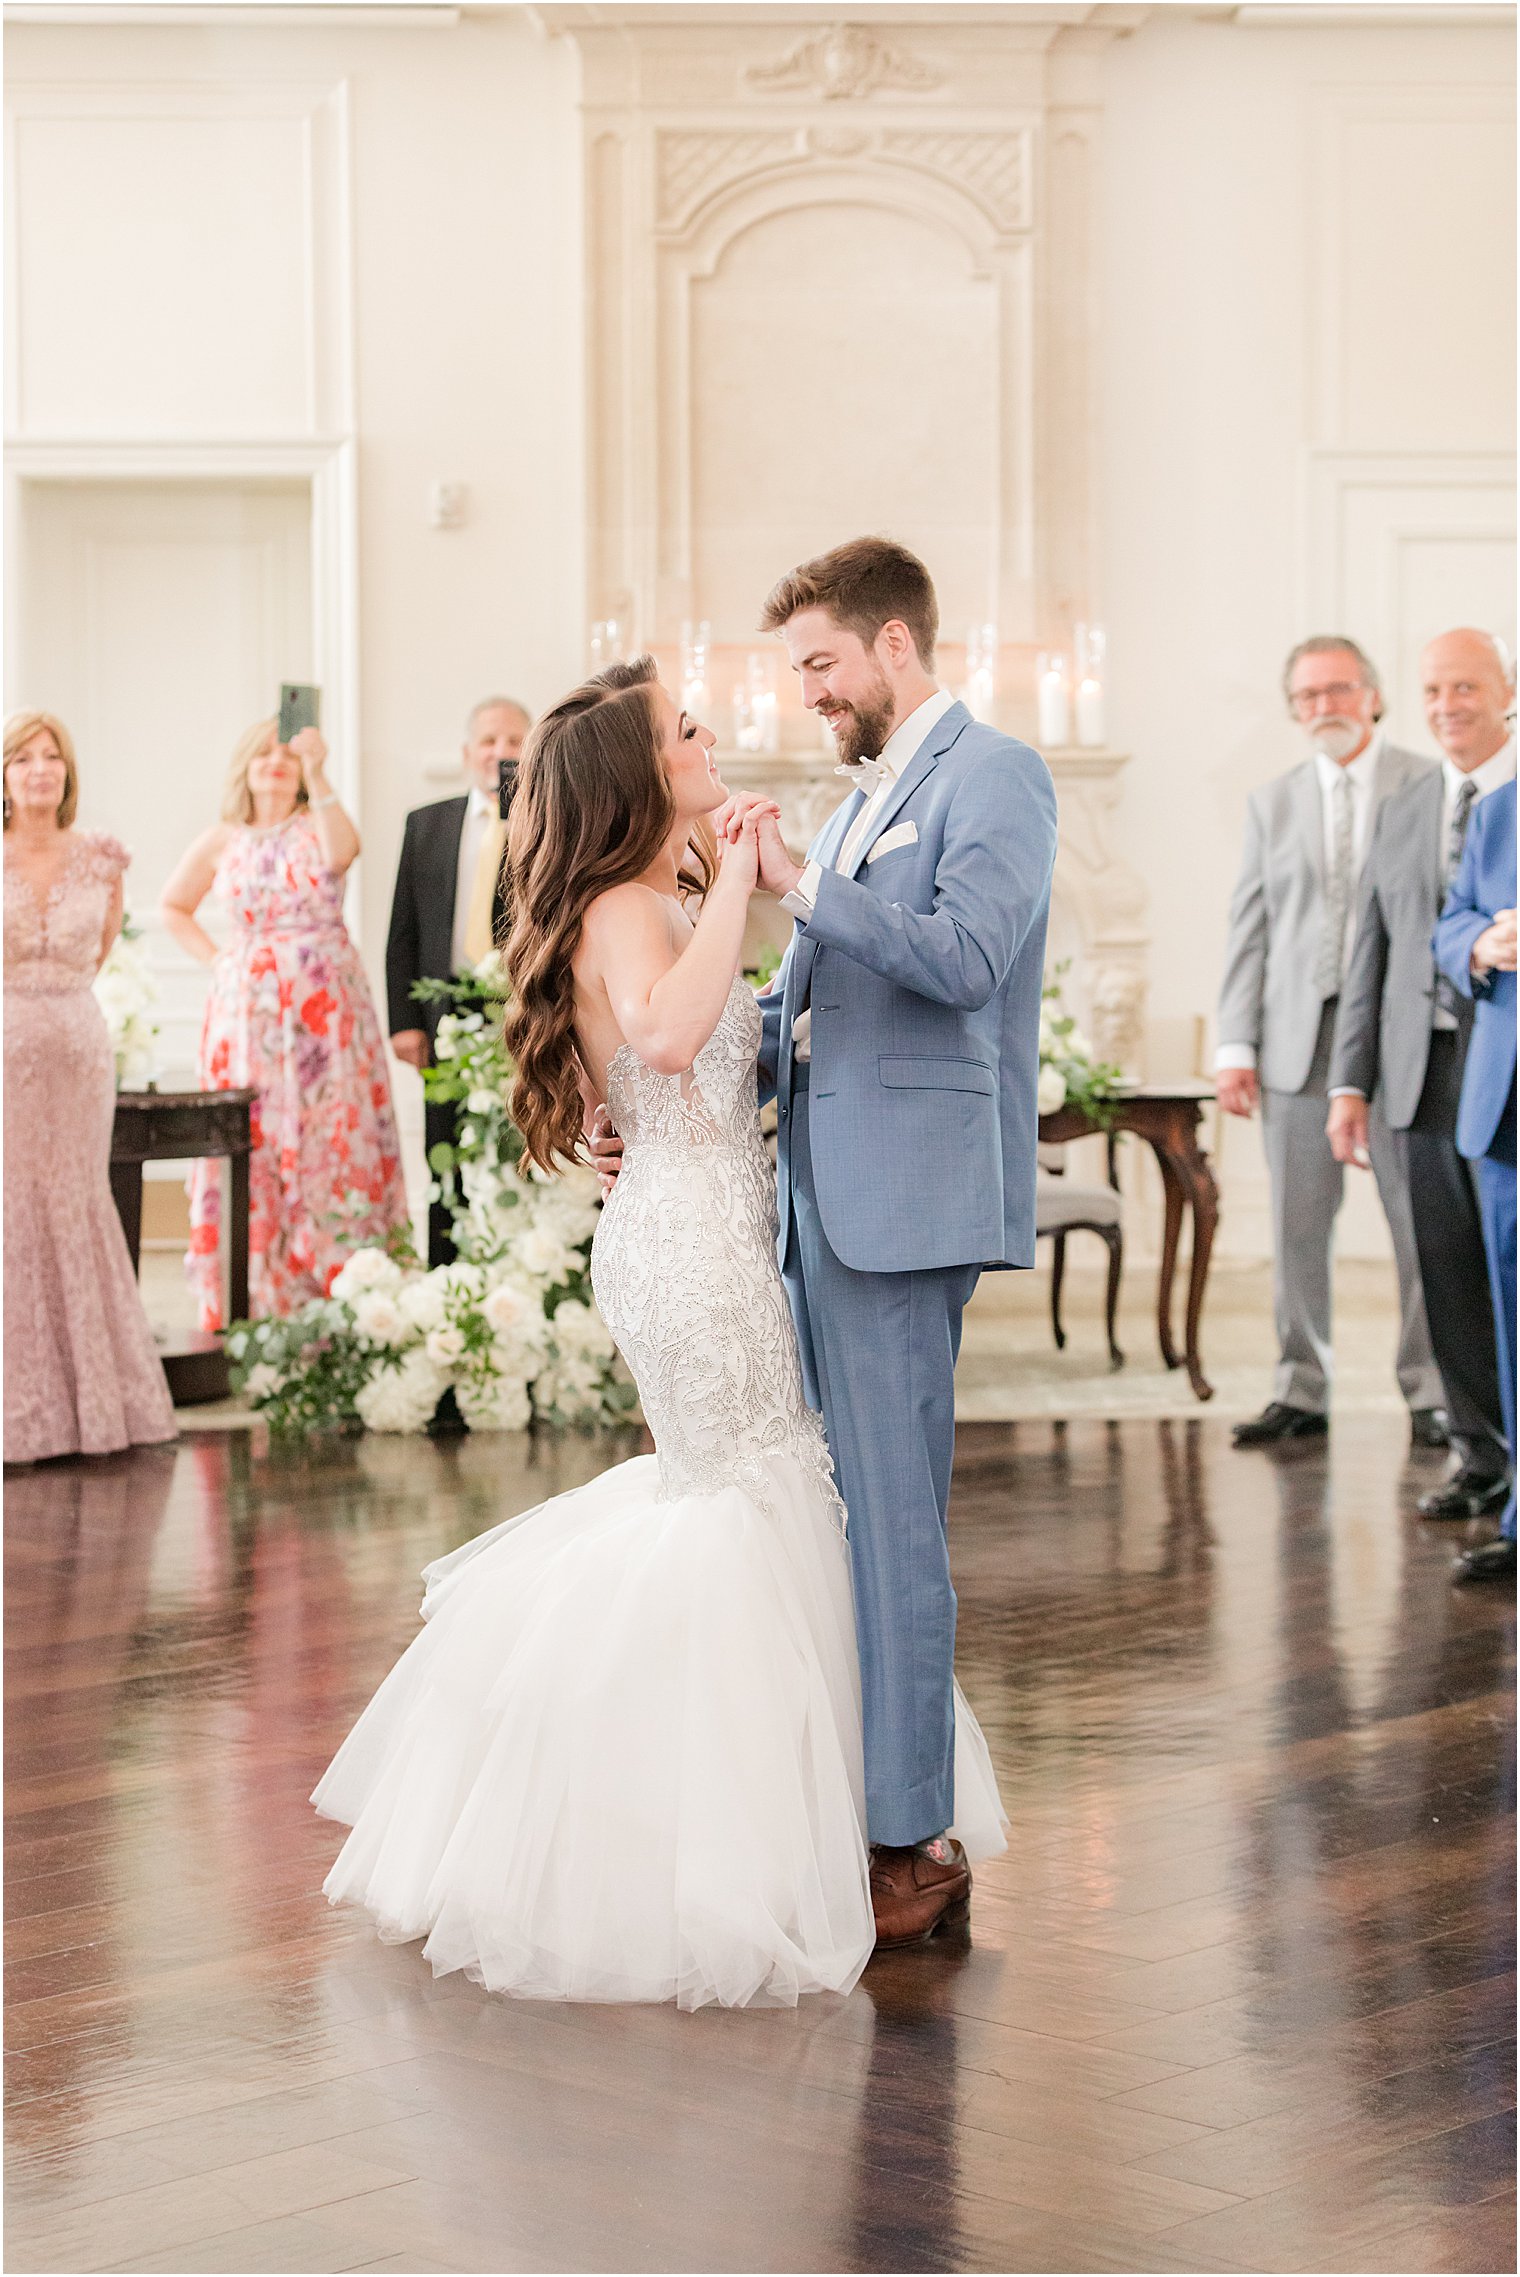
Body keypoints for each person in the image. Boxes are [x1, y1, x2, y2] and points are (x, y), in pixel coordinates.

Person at [312, 656, 1008, 2008]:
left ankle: (807, 1824)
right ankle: (719, 1855)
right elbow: (676, 1036)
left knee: (756, 1494)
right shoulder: (633, 901)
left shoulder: (653, 894)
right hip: (691, 1253)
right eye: (683, 729)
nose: (706, 735)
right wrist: (744, 875)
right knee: (746, 1499)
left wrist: (723, 895)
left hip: (711, 1228)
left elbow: (680, 1054)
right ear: (639, 776)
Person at [599, 539, 1055, 1944]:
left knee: (896, 1525)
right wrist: (666, 1122)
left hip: (900, 1201)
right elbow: (804, 1019)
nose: (804, 694)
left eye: (818, 665)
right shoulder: (869, 802)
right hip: (803, 1202)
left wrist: (801, 882)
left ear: (895, 646)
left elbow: (970, 958)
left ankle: (912, 1833)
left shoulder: (994, 777)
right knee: (837, 1516)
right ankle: (860, 1794)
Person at [1217, 636, 1445, 1448]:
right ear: (1294, 710)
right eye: (1309, 697)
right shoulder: (1271, 801)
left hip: (1403, 1040)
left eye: (1340, 691)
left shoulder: (1427, 782)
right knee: (1297, 1224)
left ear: (1374, 696)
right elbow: (1250, 928)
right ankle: (1300, 1387)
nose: (1326, 709)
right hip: (1296, 1042)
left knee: (1419, 1224)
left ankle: (1432, 1391)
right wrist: (1234, 1045)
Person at [1328, 630, 1515, 1520]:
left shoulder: (1511, 796)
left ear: (1505, 692)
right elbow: (1368, 951)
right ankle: (1480, 1454)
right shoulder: (1404, 805)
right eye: (1435, 690)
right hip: (1418, 1073)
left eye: (1467, 687)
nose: (1448, 705)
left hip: (1504, 1071)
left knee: (1507, 1273)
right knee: (1441, 1275)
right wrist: (1349, 1083)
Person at [161, 719, 408, 1329]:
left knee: (332, 1129)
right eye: (263, 753)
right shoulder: (224, 838)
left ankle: (342, 1296)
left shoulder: (316, 823)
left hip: (326, 1016)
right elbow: (173, 906)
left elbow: (343, 852)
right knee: (256, 1138)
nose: (275, 763)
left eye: (286, 756)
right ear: (243, 766)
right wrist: (219, 961)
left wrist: (318, 768)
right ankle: (253, 1299)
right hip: (247, 1022)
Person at [3, 710, 177, 1465]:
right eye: (23, 758)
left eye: (52, 757)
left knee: (75, 1195)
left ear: (67, 774)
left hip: (76, 1047)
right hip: (5, 1049)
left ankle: (96, 1406)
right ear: (4, 775)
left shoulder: (102, 860)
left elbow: (98, 952)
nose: (40, 769)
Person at [386, 697, 531, 1265]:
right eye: (490, 741)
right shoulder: (427, 824)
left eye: (515, 741)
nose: (501, 753)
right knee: (442, 1143)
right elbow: (403, 929)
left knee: (514, 1137)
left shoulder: (546, 820)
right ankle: (443, 1270)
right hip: (442, 1009)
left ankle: (517, 1268)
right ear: (468, 753)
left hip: (519, 1008)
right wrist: (404, 1021)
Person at [1434, 774, 1517, 1585]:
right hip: (1506, 1109)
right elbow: (1452, 916)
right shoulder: (1495, 811)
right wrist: (1478, 945)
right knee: (1513, 1326)